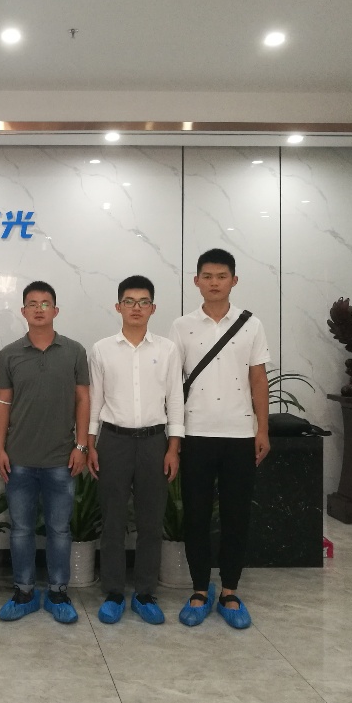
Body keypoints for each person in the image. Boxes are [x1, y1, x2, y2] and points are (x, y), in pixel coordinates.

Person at [168, 248, 271, 629]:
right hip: (196, 433)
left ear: (234, 280)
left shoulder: (251, 325)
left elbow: (258, 379)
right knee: (195, 516)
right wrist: (174, 437)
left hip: (240, 434)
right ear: (196, 281)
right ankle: (199, 589)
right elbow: (172, 386)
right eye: (207, 276)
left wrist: (262, 429)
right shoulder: (181, 326)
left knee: (236, 515)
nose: (214, 283)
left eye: (222, 276)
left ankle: (229, 590)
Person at [88, 275, 183, 625]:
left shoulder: (167, 350)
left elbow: (175, 399)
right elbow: (95, 400)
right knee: (112, 520)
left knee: (151, 521)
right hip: (113, 441)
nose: (136, 308)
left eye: (143, 302)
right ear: (118, 307)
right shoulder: (102, 349)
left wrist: (173, 448)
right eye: (129, 301)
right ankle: (114, 592)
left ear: (153, 308)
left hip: (154, 443)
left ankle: (144, 593)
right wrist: (91, 444)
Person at [0, 280, 90, 624]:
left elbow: (83, 399)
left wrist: (81, 445)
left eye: (45, 303)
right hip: (19, 458)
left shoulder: (74, 351)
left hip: (61, 459)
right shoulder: (9, 353)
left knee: (59, 530)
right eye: (32, 304)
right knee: (20, 530)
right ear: (23, 311)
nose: (38, 309)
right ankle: (24, 592)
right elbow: (3, 403)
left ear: (55, 310)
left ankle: (58, 593)